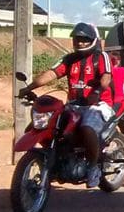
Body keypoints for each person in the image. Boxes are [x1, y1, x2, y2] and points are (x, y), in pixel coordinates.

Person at [19, 23, 112, 188]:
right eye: (77, 39)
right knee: (49, 126)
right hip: (74, 105)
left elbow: (106, 78)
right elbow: (52, 73)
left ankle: (93, 167)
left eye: (85, 39)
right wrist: (29, 87)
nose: (81, 42)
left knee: (87, 128)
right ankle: (57, 158)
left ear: (92, 40)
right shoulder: (69, 59)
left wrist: (97, 92)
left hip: (97, 105)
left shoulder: (100, 56)